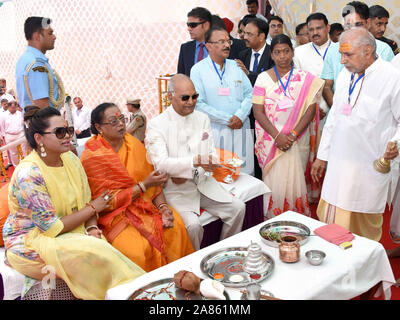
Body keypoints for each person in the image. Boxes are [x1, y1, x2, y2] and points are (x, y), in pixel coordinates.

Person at [2, 106, 145, 300]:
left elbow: (85, 202)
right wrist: (94, 208)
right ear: (38, 138)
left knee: (101, 245)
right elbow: (52, 228)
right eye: (59, 132)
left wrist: (92, 228)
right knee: (95, 253)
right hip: (31, 240)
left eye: (68, 130)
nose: (67, 136)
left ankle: (141, 293)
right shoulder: (29, 174)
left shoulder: (69, 158)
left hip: (71, 228)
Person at [311, 28, 400, 242]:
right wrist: (322, 156)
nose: (342, 61)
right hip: (338, 165)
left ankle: (362, 270)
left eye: (347, 54)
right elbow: (334, 118)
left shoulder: (392, 77)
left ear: (368, 50)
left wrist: (395, 143)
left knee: (363, 233)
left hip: (368, 169)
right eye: (341, 54)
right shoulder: (345, 75)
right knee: (331, 224)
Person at [80, 103, 194, 271]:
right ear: (98, 127)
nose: (120, 124)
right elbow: (103, 202)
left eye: (122, 119)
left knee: (175, 227)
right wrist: (143, 185)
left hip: (145, 207)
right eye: (113, 121)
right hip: (114, 216)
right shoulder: (93, 155)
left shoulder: (133, 144)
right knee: (137, 251)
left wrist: (163, 208)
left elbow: (153, 184)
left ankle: (179, 281)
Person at [145, 74, 245, 250]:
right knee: (193, 226)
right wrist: (195, 162)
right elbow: (161, 164)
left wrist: (199, 168)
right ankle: (193, 267)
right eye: (185, 98)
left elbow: (212, 155)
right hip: (177, 190)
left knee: (238, 208)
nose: (191, 101)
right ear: (170, 97)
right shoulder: (157, 125)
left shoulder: (202, 118)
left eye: (194, 96)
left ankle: (225, 251)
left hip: (204, 183)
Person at [252, 34, 324, 219]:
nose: (282, 56)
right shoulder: (262, 79)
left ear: (292, 52)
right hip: (271, 141)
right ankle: (273, 218)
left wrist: (292, 135)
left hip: (297, 139)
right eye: (277, 52)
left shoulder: (305, 78)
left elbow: (311, 109)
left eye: (286, 51)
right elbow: (258, 112)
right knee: (274, 182)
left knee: (295, 179)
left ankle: (295, 218)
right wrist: (278, 137)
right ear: (272, 55)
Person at [190, 26, 255, 175]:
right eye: (221, 41)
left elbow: (250, 93)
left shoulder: (236, 66)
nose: (227, 45)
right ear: (209, 46)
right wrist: (228, 119)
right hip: (216, 131)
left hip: (240, 128)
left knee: (243, 173)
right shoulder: (198, 70)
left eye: (228, 41)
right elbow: (198, 104)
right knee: (219, 175)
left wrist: (240, 116)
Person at [321, 1, 394, 110]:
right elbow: (327, 86)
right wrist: (339, 111)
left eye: (358, 24)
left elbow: (391, 88)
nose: (353, 30)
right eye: (348, 25)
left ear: (368, 23)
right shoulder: (333, 50)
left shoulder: (384, 50)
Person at [15, 17, 65, 110]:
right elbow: (42, 106)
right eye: (50, 33)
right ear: (37, 36)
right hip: (44, 123)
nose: (54, 37)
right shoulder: (36, 63)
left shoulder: (26, 58)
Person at [294, 13, 332, 121]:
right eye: (311, 30)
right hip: (308, 112)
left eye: (319, 28)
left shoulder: (339, 50)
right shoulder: (298, 52)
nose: (315, 33)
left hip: (335, 110)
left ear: (328, 28)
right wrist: (310, 108)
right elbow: (296, 85)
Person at [236, 18, 274, 86]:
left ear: (261, 37)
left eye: (249, 34)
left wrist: (248, 73)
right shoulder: (243, 55)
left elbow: (270, 80)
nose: (245, 37)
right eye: (245, 33)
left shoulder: (273, 55)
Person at [177, 7, 212, 76]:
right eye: (188, 25)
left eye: (193, 25)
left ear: (206, 25)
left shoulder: (218, 46)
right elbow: (181, 76)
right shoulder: (185, 48)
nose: (189, 29)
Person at [0, 100, 27, 166]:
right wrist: (4, 136)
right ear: (8, 107)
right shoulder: (3, 115)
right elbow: (2, 126)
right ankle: (16, 166)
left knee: (24, 151)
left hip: (21, 134)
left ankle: (25, 165)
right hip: (9, 136)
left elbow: (24, 123)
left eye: (15, 107)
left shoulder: (20, 113)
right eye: (13, 108)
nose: (14, 109)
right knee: (13, 153)